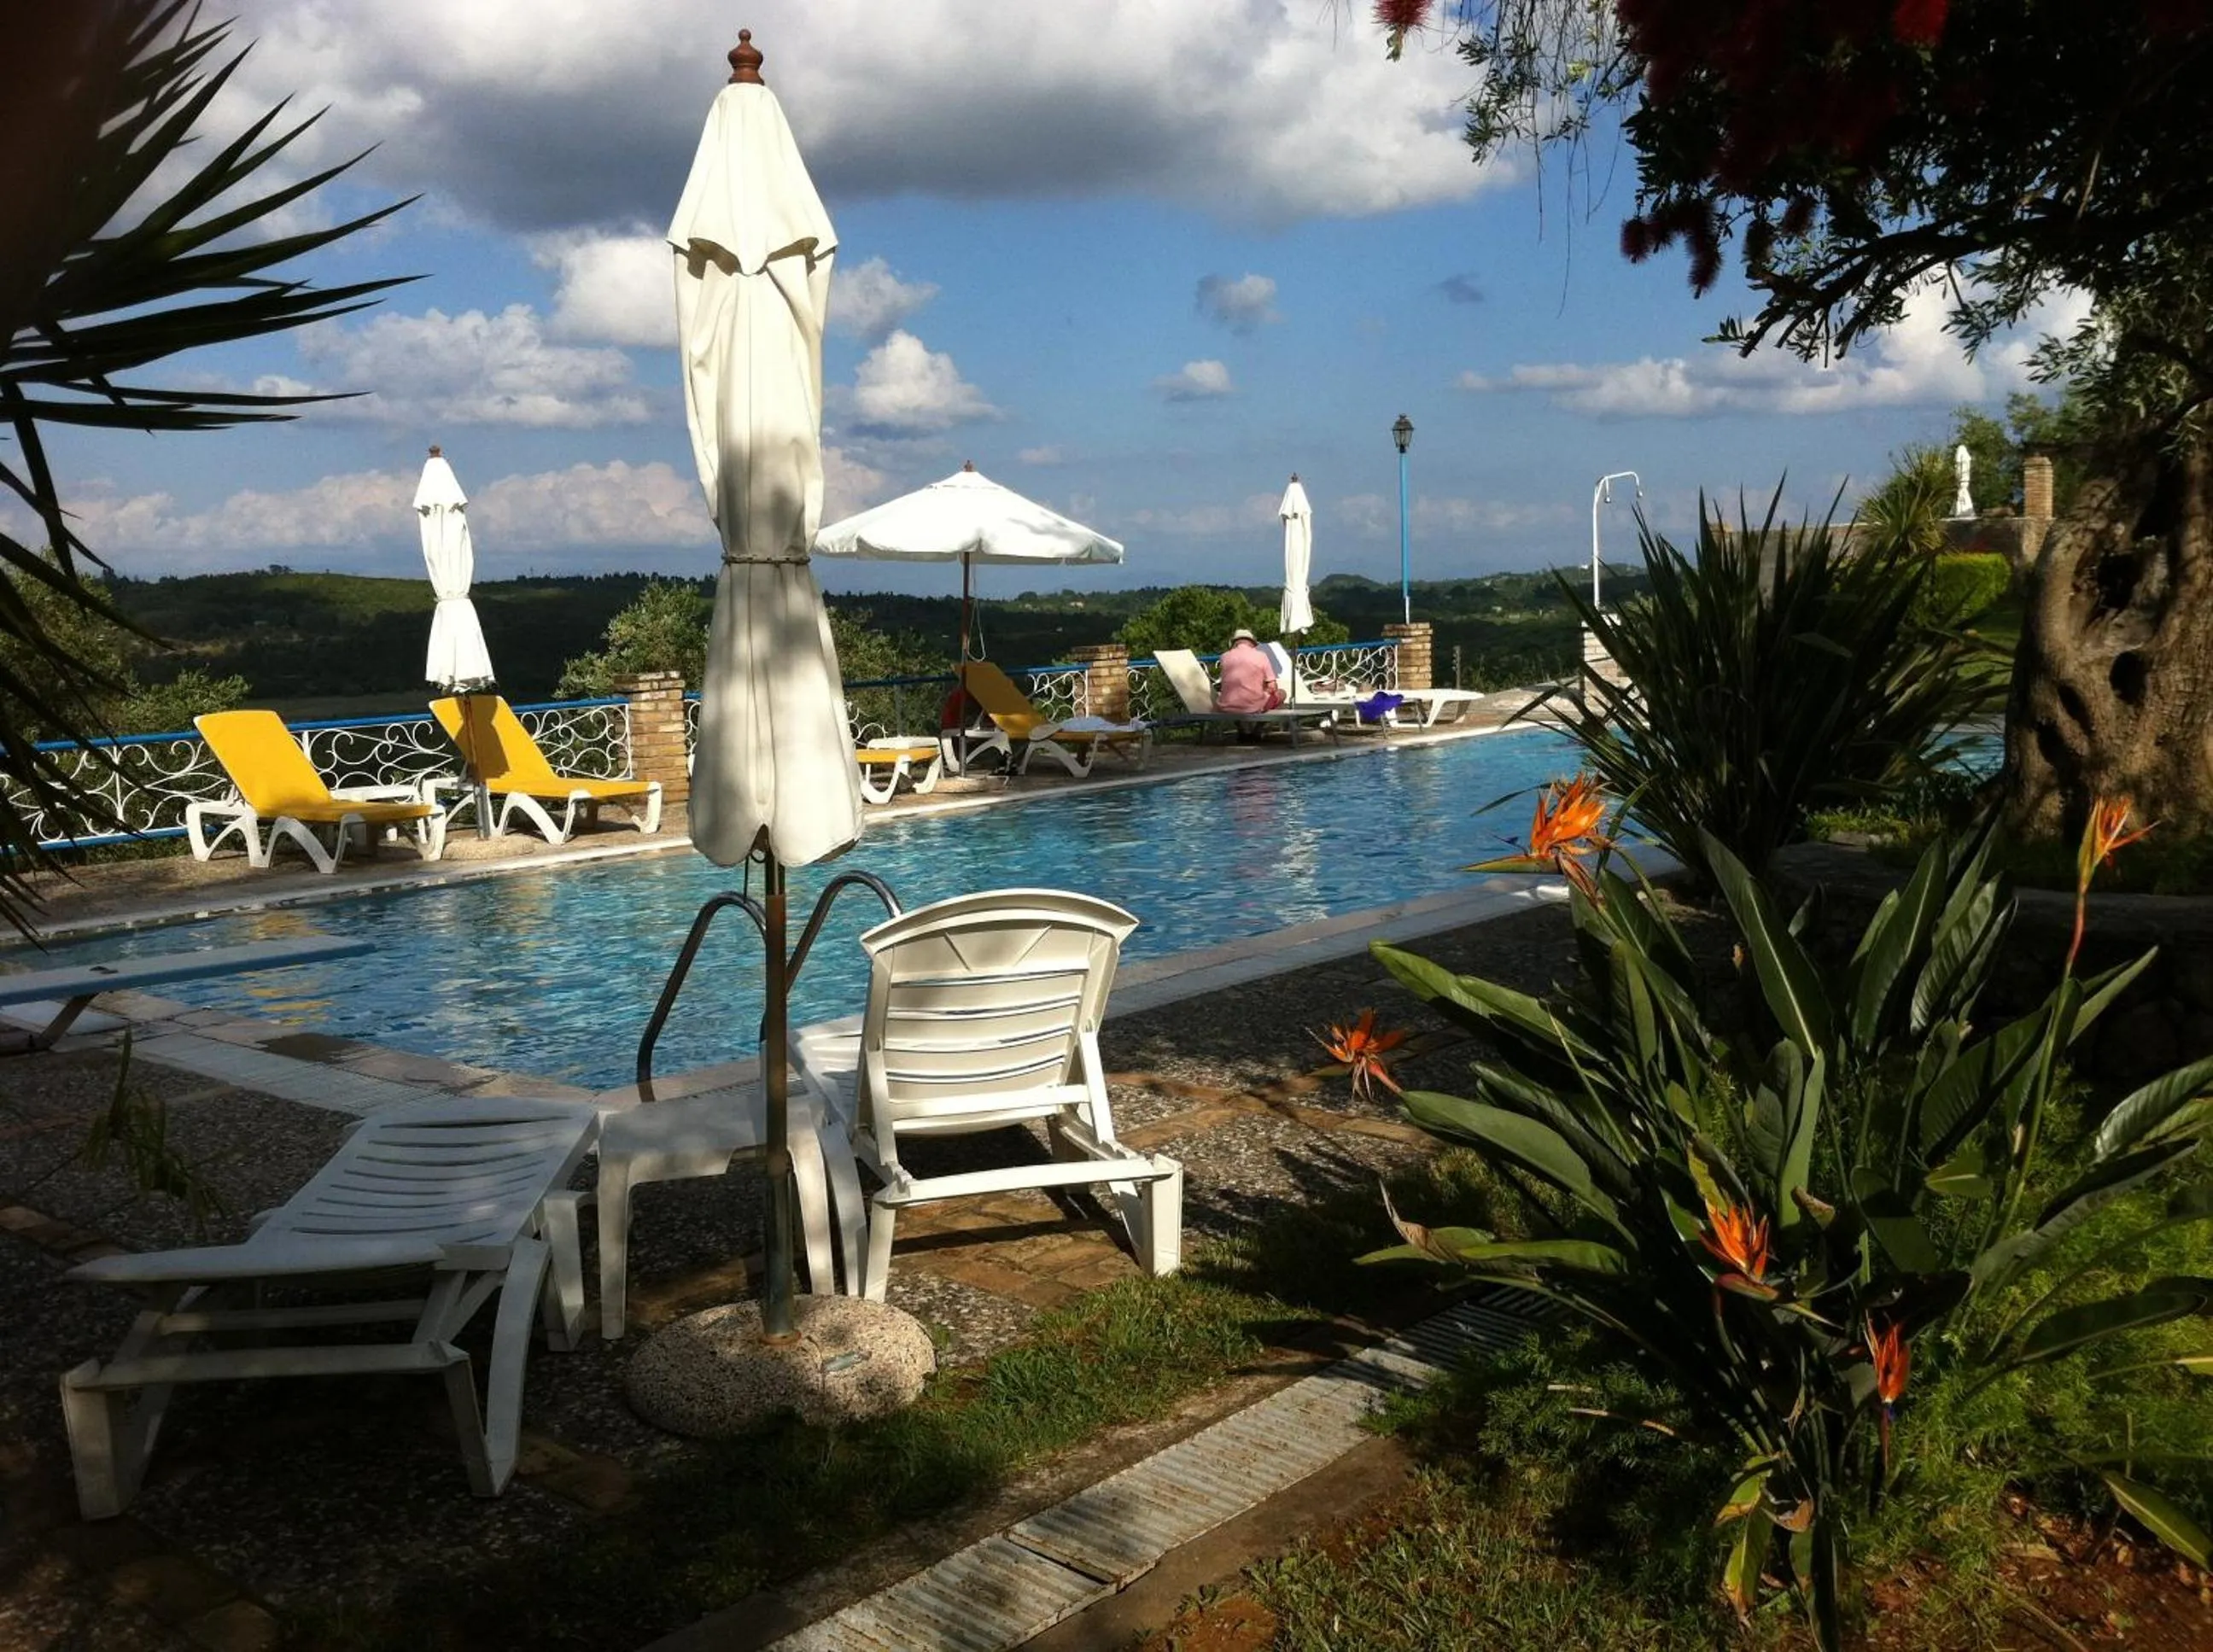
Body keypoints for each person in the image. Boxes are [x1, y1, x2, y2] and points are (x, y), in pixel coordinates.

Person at [1214, 628, 1285, 717]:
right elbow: (1273, 687)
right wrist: (1265, 689)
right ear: (1252, 643)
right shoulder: (1261, 656)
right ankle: (1263, 724)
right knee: (1282, 693)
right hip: (1254, 708)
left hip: (1226, 707)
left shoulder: (1224, 657)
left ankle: (1242, 725)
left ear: (1234, 643)